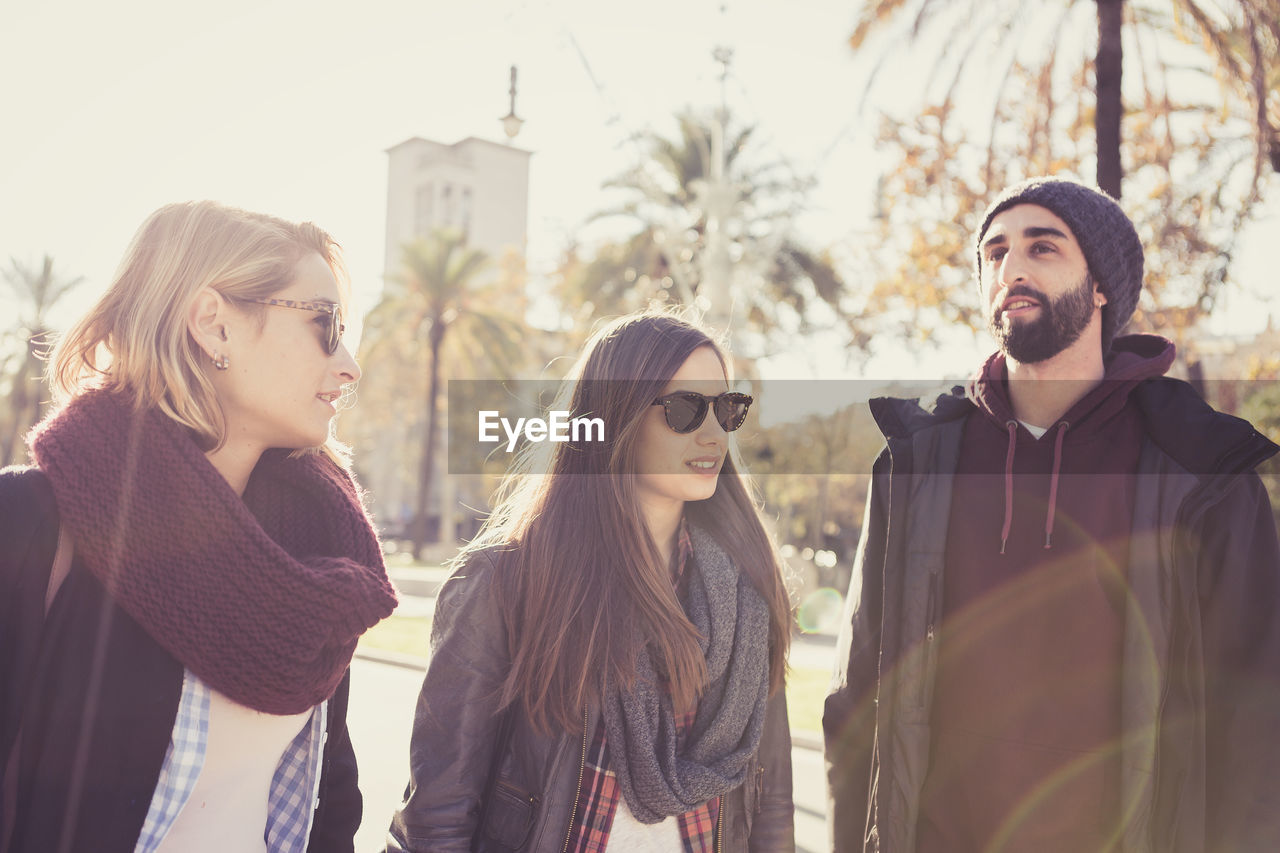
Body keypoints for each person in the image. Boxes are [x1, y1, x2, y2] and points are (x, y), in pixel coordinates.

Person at [824, 176, 1280, 852]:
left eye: (1044, 247)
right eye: (995, 252)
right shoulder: (917, 459)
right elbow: (858, 692)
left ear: (1101, 286)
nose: (1012, 268)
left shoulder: (1201, 471)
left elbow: (1255, 726)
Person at [0, 201, 398, 852]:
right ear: (214, 326)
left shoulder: (318, 560)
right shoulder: (30, 525)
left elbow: (332, 808)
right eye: (324, 324)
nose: (349, 364)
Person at [387, 311, 795, 852]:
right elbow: (438, 815)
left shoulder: (749, 592)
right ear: (614, 416)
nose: (713, 432)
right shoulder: (507, 581)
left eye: (726, 408)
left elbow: (770, 810)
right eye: (684, 408)